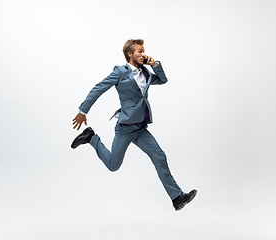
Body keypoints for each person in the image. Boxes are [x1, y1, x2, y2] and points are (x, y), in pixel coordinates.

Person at [71, 39, 197, 211]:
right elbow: (98, 88)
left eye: (144, 50)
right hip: (125, 128)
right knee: (113, 166)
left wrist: (155, 64)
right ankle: (91, 137)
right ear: (129, 54)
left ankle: (176, 197)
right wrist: (82, 111)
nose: (143, 54)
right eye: (139, 51)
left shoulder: (146, 73)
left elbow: (163, 79)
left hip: (141, 128)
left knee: (159, 156)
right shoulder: (120, 72)